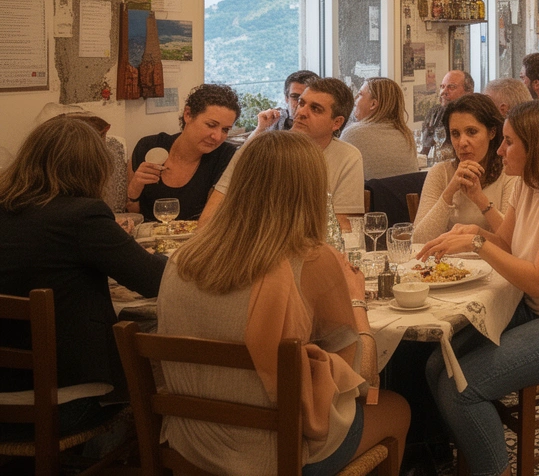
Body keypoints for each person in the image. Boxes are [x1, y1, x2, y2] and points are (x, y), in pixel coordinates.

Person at [157, 131, 410, 476]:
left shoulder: (180, 258)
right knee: (396, 408)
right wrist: (356, 301)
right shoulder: (310, 260)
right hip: (274, 454)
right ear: (311, 193)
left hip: (191, 444)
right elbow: (362, 378)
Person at [417, 101, 539, 476]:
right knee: (435, 364)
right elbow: (507, 242)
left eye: (508, 141)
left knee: (462, 388)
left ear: (537, 146)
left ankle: (494, 470)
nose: (500, 150)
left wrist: (479, 245)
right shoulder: (530, 183)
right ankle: (471, 460)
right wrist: (472, 231)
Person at [0, 117, 165, 442]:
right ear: (93, 169)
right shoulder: (83, 216)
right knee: (158, 374)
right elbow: (153, 281)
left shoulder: (7, 207)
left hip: (5, 394)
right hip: (57, 406)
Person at [203, 77, 364, 227]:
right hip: (252, 248)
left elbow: (344, 228)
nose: (301, 112)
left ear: (337, 123)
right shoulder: (262, 148)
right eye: (301, 103)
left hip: (310, 253)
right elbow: (208, 218)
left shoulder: (347, 157)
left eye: (315, 109)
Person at [411, 94, 520, 244]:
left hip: (491, 263)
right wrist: (449, 192)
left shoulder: (508, 174)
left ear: (492, 132)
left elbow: (512, 240)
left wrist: (480, 199)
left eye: (471, 132)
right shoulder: (440, 172)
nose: (462, 142)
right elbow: (419, 240)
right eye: (455, 134)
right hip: (447, 263)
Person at [129, 83, 240, 221]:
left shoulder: (225, 156)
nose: (217, 137)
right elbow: (132, 213)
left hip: (197, 238)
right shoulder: (149, 146)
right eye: (211, 125)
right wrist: (135, 187)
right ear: (188, 115)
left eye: (225, 130)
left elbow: (213, 219)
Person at [340, 77, 419, 180]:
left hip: (371, 195)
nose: (355, 100)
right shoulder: (406, 135)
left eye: (360, 95)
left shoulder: (353, 134)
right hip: (403, 195)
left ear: (373, 104)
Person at [420, 70, 473, 157]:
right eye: (442, 86)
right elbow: (425, 149)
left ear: (468, 92)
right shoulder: (434, 113)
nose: (444, 91)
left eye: (451, 87)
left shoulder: (473, 116)